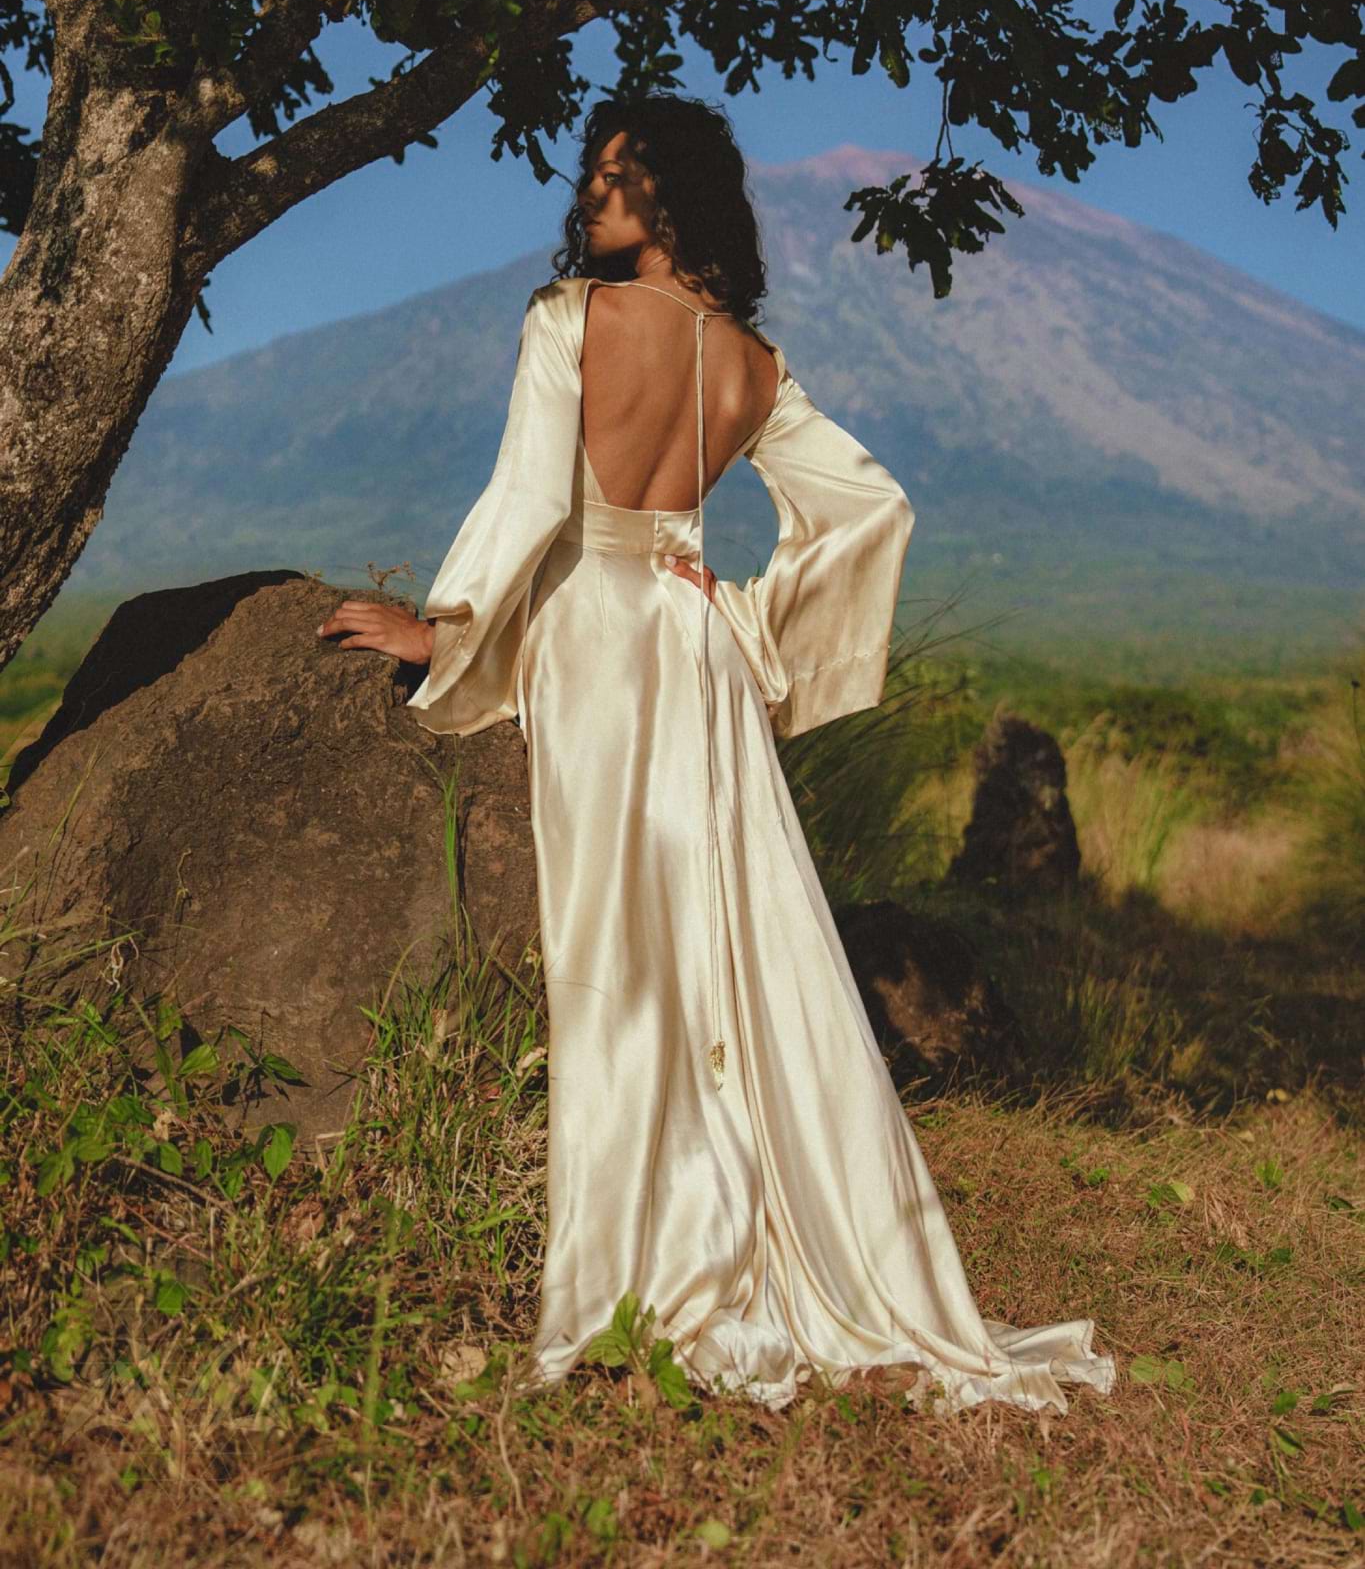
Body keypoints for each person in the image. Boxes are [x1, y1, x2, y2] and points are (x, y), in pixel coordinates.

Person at [318, 93, 1115, 1414]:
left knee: (619, 949)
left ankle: (646, 1264)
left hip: (593, 634)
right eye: (590, 173)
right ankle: (751, 1236)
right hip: (692, 645)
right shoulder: (751, 361)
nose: (591, 194)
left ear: (676, 195)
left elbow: (527, 502)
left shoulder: (566, 320)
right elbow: (871, 509)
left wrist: (441, 636)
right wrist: (749, 622)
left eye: (622, 177)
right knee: (727, 945)